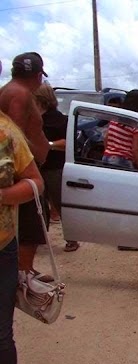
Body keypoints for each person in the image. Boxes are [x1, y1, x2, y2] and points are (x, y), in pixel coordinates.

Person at [0, 109, 55, 364]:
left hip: (2, 247)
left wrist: (3, 195)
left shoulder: (5, 129)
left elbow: (34, 180)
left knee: (1, 338)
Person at [0, 52, 51, 279]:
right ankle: (22, 274)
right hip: (24, 174)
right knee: (31, 226)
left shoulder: (11, 91)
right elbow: (12, 137)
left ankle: (23, 271)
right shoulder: (18, 94)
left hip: (26, 170)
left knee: (32, 224)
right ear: (39, 75)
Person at [33, 83, 79, 252]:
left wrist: (48, 145)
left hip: (55, 168)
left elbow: (68, 143)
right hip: (37, 167)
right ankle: (38, 239)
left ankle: (72, 238)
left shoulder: (59, 119)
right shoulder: (33, 119)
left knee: (61, 204)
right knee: (38, 207)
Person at [102, 89, 138, 171]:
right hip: (122, 161)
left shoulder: (115, 120)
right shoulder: (136, 126)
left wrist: (110, 152)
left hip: (106, 158)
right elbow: (136, 150)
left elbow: (106, 139)